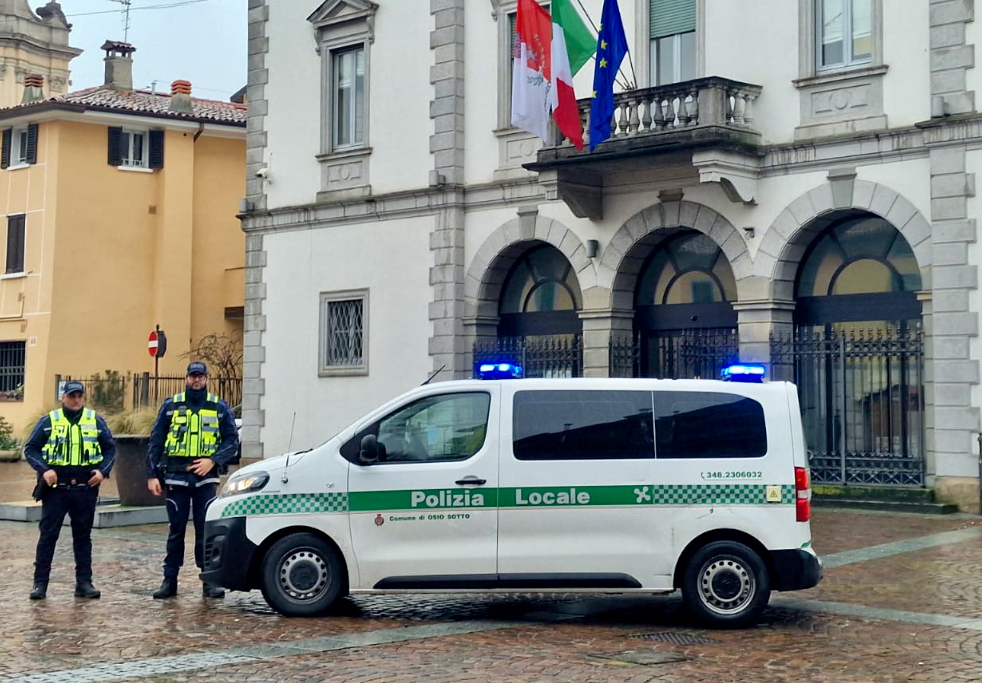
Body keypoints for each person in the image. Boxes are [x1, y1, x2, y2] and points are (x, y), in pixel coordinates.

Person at [146, 361, 239, 599]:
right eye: (192, 376)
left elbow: (232, 441)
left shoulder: (218, 407)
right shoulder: (171, 406)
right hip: (176, 477)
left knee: (206, 530)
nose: (196, 380)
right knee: (175, 531)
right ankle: (169, 581)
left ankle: (209, 580)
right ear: (186, 378)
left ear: (207, 379)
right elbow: (155, 442)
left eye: (200, 377)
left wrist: (212, 460)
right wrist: (152, 475)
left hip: (205, 480)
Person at [23, 380, 116, 600]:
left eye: (79, 396)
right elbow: (31, 449)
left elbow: (110, 449)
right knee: (48, 536)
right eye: (71, 395)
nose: (75, 400)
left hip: (85, 487)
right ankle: (40, 584)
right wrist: (44, 470)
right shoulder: (49, 421)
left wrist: (103, 472)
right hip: (56, 488)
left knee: (83, 537)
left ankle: (84, 583)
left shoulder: (95, 420)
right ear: (63, 397)